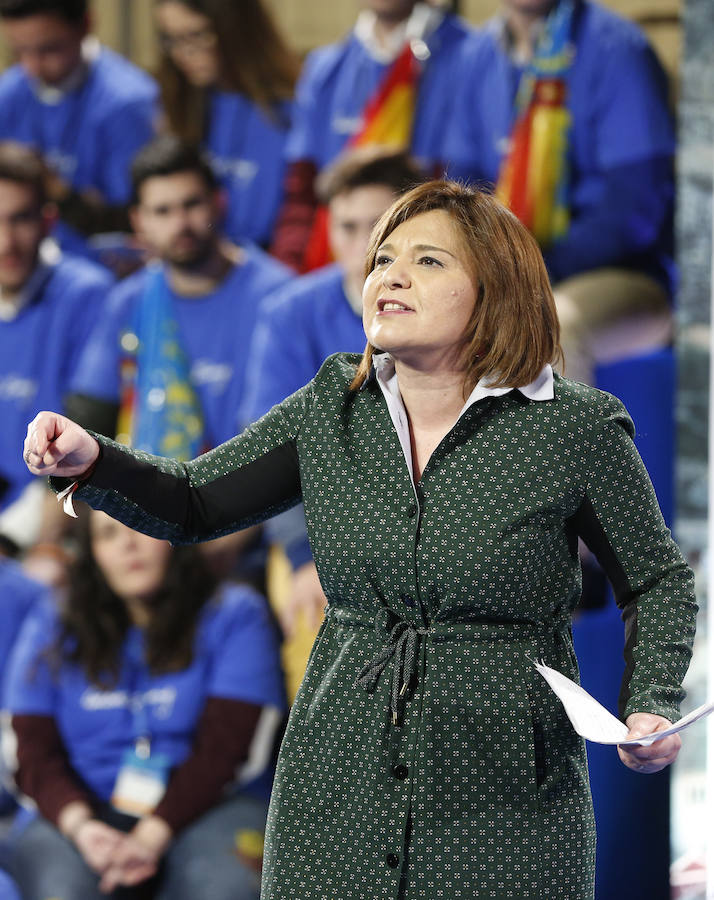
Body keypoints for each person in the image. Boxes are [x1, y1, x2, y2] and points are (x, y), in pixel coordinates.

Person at [23, 181, 697, 898]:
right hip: (338, 772)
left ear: (495, 285)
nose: (390, 275)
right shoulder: (329, 407)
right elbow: (192, 501)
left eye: (428, 261)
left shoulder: (575, 427)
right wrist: (94, 460)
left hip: (505, 785)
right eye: (382, 259)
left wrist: (650, 699)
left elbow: (656, 579)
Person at [4, 507, 285, 899]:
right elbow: (31, 751)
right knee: (61, 890)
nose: (128, 545)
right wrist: (82, 827)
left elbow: (230, 751)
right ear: (91, 551)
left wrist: (152, 835)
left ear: (176, 536)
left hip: (212, 805)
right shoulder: (52, 620)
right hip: (75, 811)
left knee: (225, 887)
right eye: (107, 535)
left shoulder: (235, 613)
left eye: (142, 525)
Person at [242, 146, 423, 696]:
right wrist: (302, 556)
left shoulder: (460, 309)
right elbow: (275, 454)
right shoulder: (290, 315)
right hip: (322, 536)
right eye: (348, 227)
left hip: (434, 533)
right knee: (321, 673)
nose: (365, 246)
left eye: (381, 227)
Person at [443, 0, 675, 385]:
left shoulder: (617, 48)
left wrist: (524, 275)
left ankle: (553, 449)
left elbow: (634, 211)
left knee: (553, 327)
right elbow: (461, 195)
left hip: (625, 276)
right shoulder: (475, 55)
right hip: (508, 272)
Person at [270, 0, 474, 271]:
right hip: (336, 268)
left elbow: (476, 193)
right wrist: (293, 275)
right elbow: (302, 194)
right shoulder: (324, 68)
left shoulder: (472, 57)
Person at [0, 140, 112, 549]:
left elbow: (84, 441)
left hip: (55, 523)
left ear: (49, 221)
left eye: (20, 220)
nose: (6, 243)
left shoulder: (87, 296)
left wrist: (33, 546)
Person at [0, 0, 158, 266]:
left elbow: (132, 222)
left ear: (84, 26)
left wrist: (53, 186)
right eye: (21, 51)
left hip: (100, 272)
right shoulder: (10, 91)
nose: (33, 67)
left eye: (49, 49)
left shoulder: (126, 103)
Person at [154, 0, 298, 249]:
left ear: (236, 28)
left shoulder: (291, 108)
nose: (183, 52)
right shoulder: (178, 107)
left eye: (197, 35)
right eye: (171, 39)